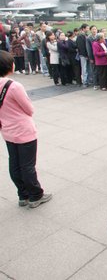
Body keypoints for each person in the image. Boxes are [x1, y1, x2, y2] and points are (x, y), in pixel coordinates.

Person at [0, 51, 52, 208]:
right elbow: (29, 109)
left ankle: (23, 195)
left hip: (7, 131)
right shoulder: (14, 86)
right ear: (9, 66)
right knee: (28, 165)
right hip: (23, 131)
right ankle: (36, 195)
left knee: (14, 164)